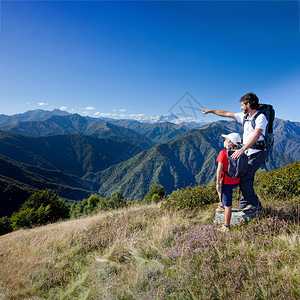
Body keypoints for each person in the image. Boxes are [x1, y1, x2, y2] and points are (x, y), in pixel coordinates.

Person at [201, 92, 268, 214]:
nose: (241, 107)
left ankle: (254, 204)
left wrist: (242, 149)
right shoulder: (245, 117)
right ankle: (244, 203)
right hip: (247, 153)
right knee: (246, 176)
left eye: (242, 105)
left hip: (257, 153)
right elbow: (226, 114)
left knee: (244, 177)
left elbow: (256, 135)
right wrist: (211, 111)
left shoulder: (260, 117)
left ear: (248, 104)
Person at [216, 132, 241, 232]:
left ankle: (226, 226)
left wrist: (217, 182)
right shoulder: (240, 152)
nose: (224, 141)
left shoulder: (223, 153)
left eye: (226, 139)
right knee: (221, 190)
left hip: (226, 182)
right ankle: (221, 204)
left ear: (229, 142)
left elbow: (219, 170)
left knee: (228, 206)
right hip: (237, 180)